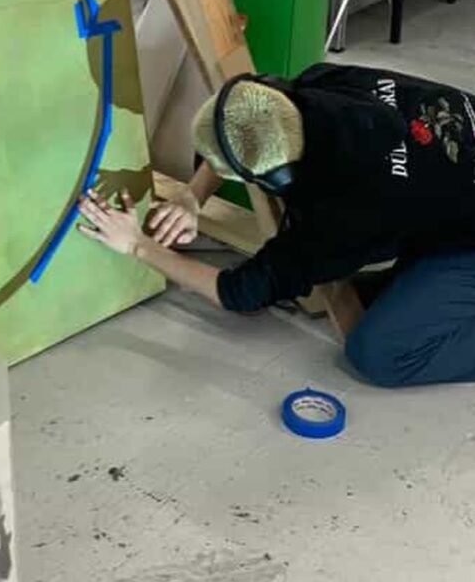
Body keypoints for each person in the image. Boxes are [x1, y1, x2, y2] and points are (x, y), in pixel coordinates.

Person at [78, 63, 475, 389]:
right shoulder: (321, 85)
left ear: (277, 178)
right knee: (378, 283)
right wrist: (190, 197)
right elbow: (243, 128)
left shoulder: (346, 216)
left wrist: (138, 247)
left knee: (378, 353)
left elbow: (241, 293)